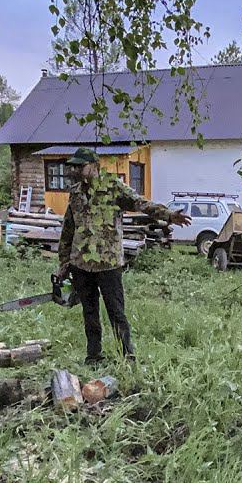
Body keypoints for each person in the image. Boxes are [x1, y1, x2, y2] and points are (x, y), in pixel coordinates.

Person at [55, 148, 190, 363]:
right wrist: (64, 262)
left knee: (116, 313)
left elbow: (140, 203)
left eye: (80, 166)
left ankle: (127, 357)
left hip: (108, 264)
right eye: (73, 166)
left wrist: (169, 215)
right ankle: (94, 356)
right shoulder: (75, 192)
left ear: (94, 166)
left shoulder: (113, 188)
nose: (75, 170)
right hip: (81, 263)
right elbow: (68, 228)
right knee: (89, 313)